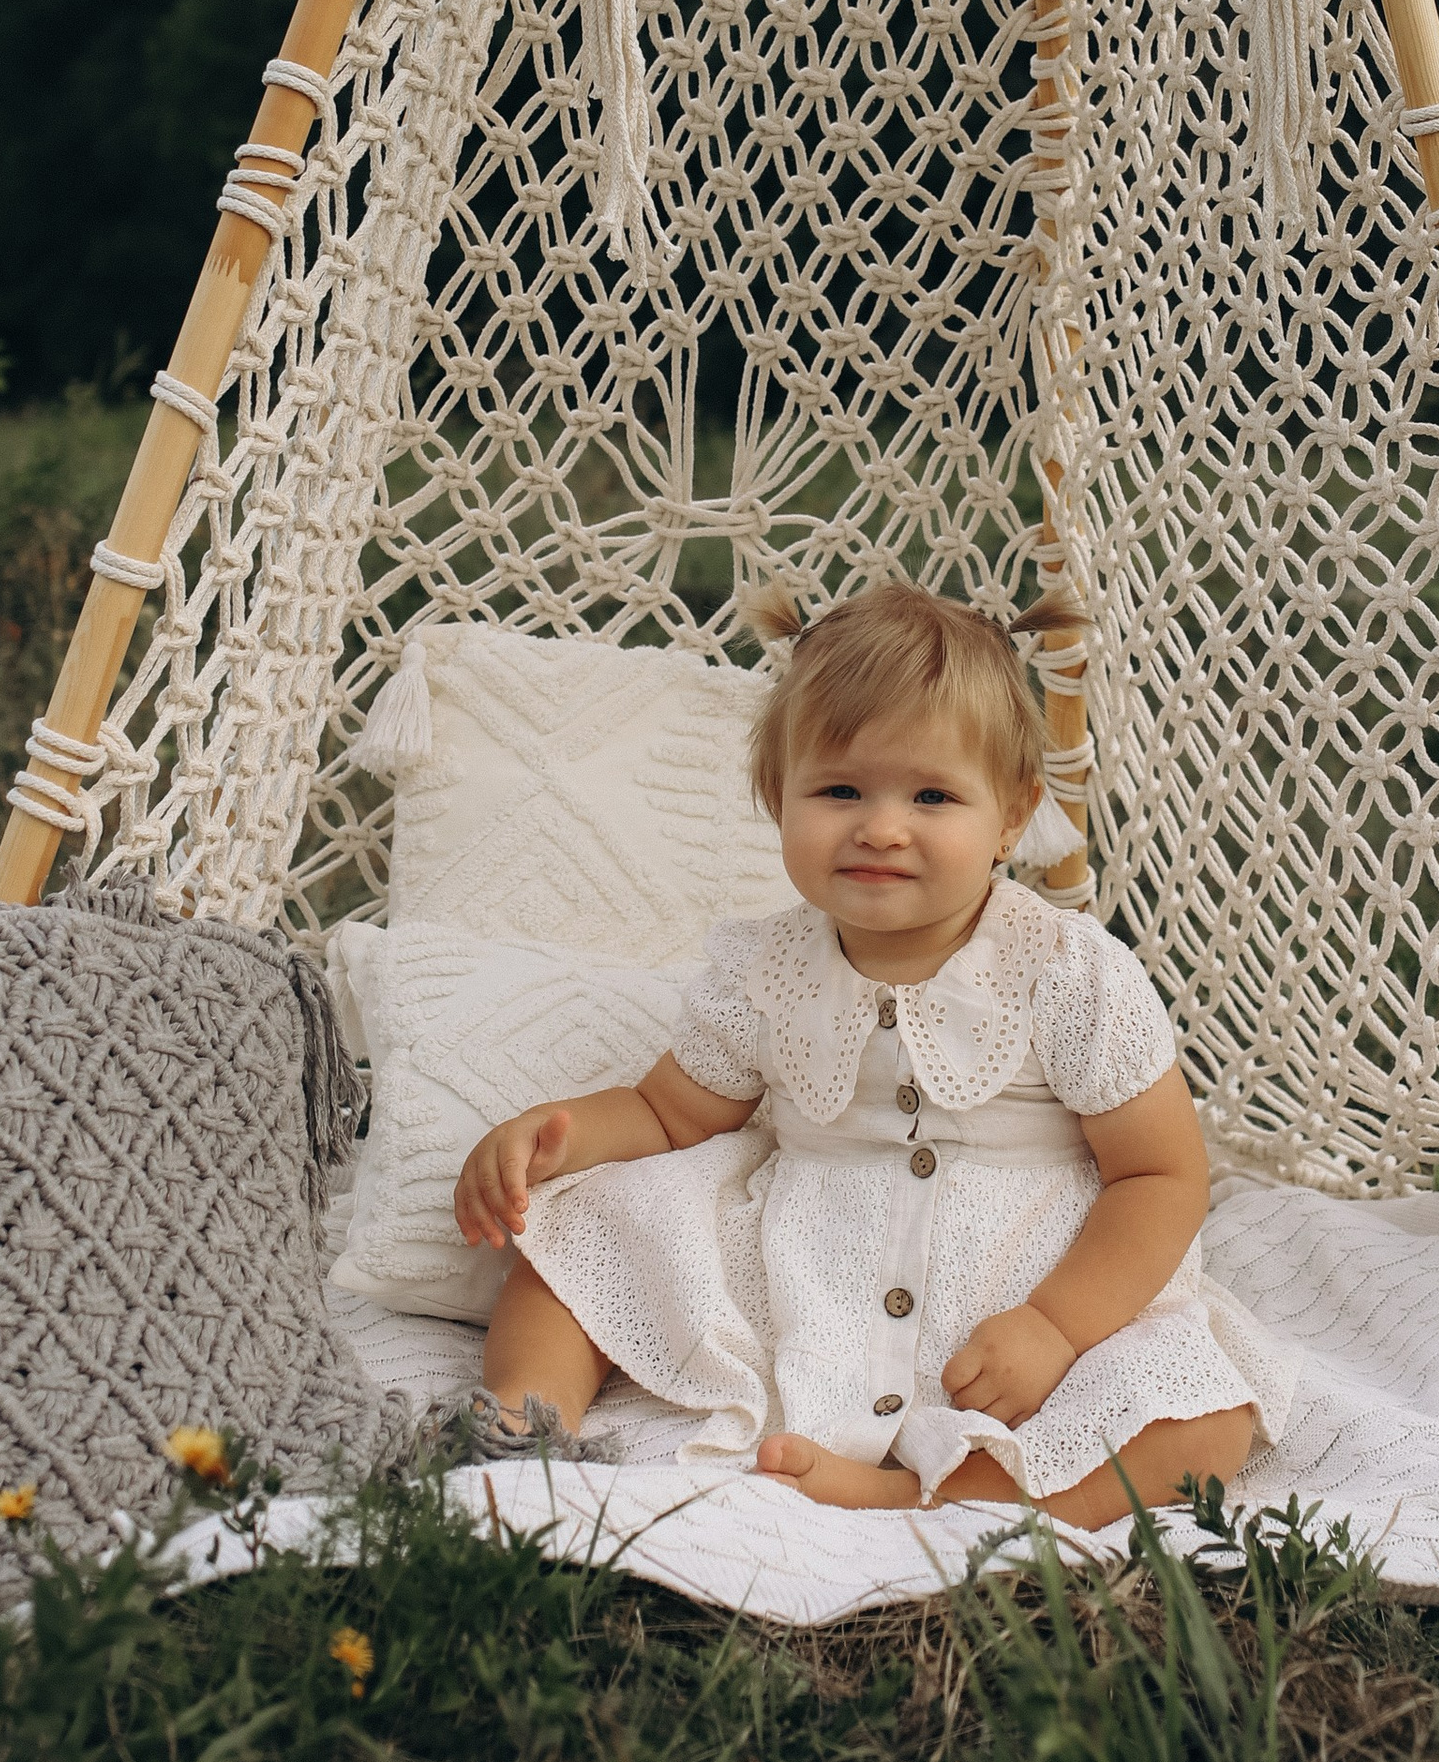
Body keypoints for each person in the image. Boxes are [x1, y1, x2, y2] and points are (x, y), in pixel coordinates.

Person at [447, 586, 1273, 1522]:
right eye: (840, 791)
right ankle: (520, 1428)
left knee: (1205, 1420)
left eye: (932, 796)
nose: (882, 826)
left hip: (1026, 1284)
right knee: (574, 1236)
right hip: (805, 1257)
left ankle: (936, 1492)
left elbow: (1162, 1176)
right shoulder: (762, 967)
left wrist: (1057, 1326)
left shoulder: (1070, 972)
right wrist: (552, 1141)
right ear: (777, 796)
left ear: (1011, 815)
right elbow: (672, 1115)